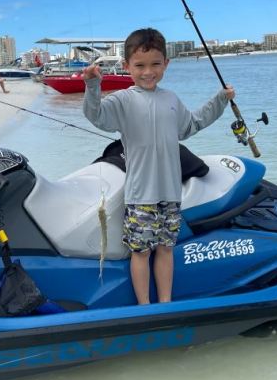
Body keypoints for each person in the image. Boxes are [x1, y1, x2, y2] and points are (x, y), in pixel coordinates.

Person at [82, 28, 235, 305]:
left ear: (166, 64)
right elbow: (96, 116)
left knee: (166, 249)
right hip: (140, 196)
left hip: (171, 194)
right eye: (139, 66)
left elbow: (192, 124)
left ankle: (165, 303)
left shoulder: (171, 99)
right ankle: (144, 306)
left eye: (155, 64)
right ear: (126, 66)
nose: (148, 72)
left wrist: (220, 100)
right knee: (140, 252)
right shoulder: (122, 100)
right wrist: (92, 86)